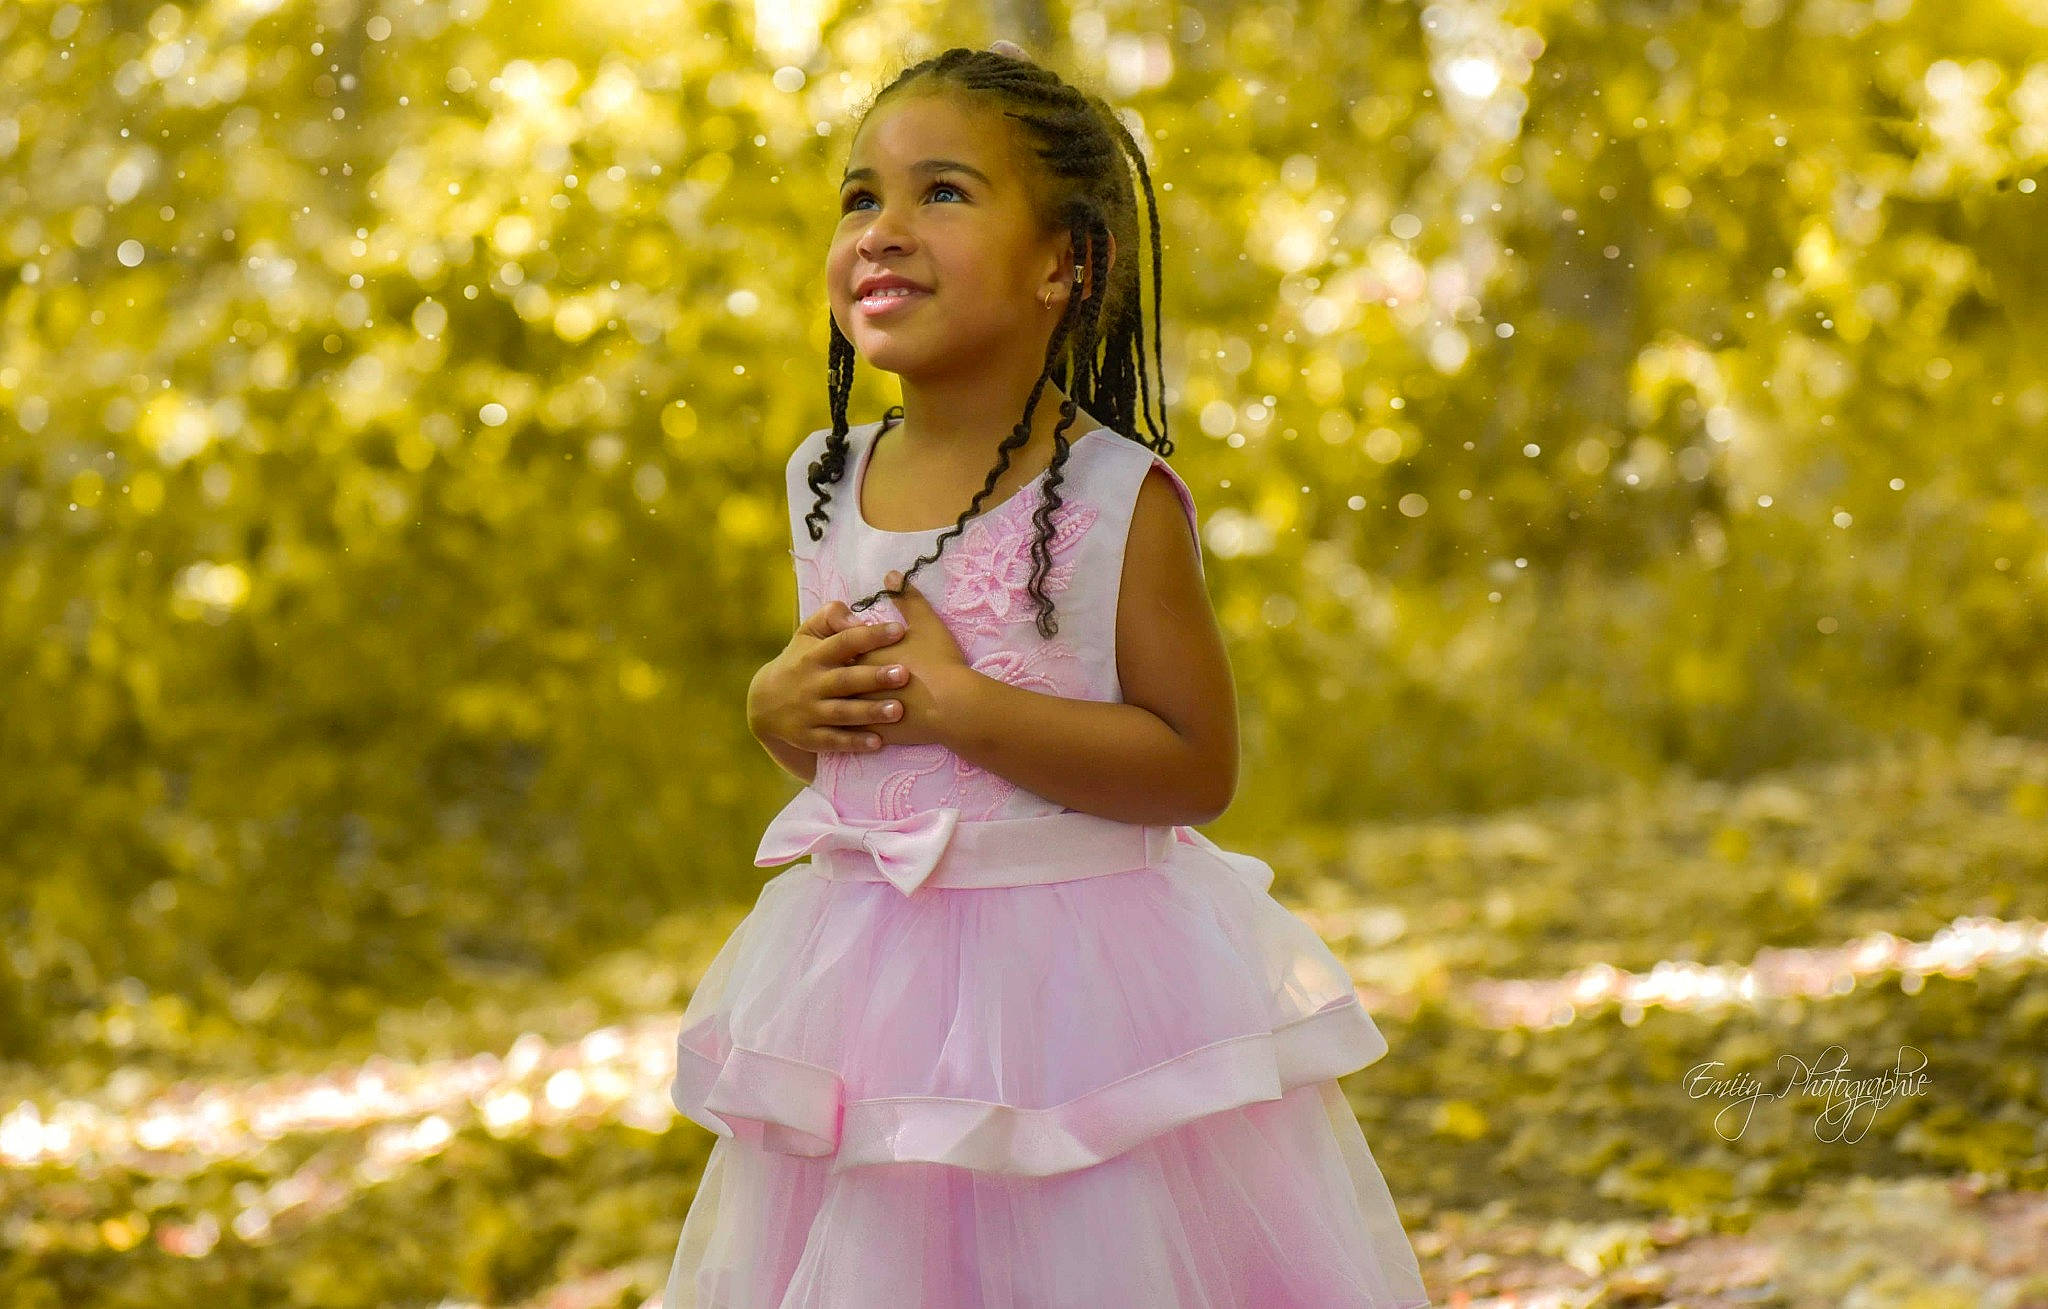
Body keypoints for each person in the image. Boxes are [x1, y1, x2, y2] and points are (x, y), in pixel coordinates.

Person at [661, 41, 1434, 1309]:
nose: (884, 229)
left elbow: (1196, 763)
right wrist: (774, 711)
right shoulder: (822, 479)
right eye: (860, 196)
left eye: (942, 193)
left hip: (1080, 998)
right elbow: (858, 747)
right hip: (864, 994)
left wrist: (969, 706)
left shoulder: (1115, 498)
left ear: (1064, 264)